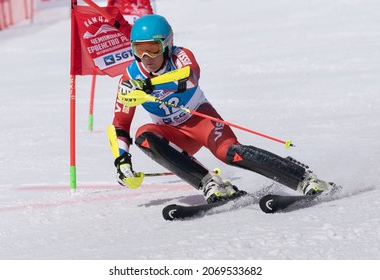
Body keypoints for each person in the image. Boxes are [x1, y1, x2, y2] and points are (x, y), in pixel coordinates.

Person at [111, 14, 333, 204]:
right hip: (173, 134)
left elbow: (190, 78)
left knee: (230, 153)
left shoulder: (180, 56)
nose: (146, 57)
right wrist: (122, 159)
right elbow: (120, 122)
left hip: (200, 120)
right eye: (139, 49)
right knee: (144, 136)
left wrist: (150, 85)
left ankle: (306, 179)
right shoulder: (130, 78)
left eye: (152, 48)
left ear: (167, 45)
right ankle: (212, 184)